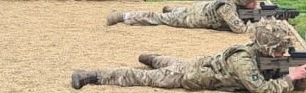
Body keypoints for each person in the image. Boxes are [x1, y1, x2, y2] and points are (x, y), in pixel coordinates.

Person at [70, 18, 306, 93]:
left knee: (172, 62)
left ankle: (154, 58)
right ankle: (92, 75)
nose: (282, 54)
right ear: (267, 47)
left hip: (199, 65)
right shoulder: (243, 59)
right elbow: (261, 89)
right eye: (279, 50)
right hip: (190, 76)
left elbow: (288, 84)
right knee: (143, 77)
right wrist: (291, 78)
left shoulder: (266, 58)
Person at [107, 0, 256, 33]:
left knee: (178, 11)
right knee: (157, 18)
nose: (255, 4)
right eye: (252, 2)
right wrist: (255, 24)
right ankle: (124, 16)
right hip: (192, 19)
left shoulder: (234, 4)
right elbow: (239, 29)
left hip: (197, 9)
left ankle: (172, 10)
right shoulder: (227, 7)